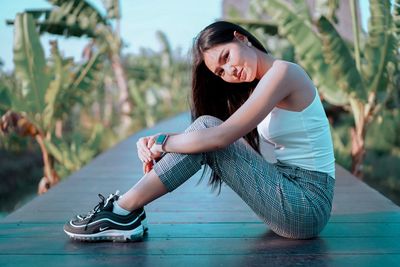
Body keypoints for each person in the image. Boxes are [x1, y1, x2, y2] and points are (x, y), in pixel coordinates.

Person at [63, 21, 335, 242]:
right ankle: (124, 211)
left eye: (226, 57)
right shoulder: (264, 82)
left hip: (307, 204)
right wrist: (169, 142)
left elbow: (221, 137)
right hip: (291, 193)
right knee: (205, 131)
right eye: (221, 72)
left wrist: (164, 142)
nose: (230, 71)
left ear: (241, 38)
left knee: (208, 129)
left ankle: (122, 210)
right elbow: (229, 141)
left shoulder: (284, 72)